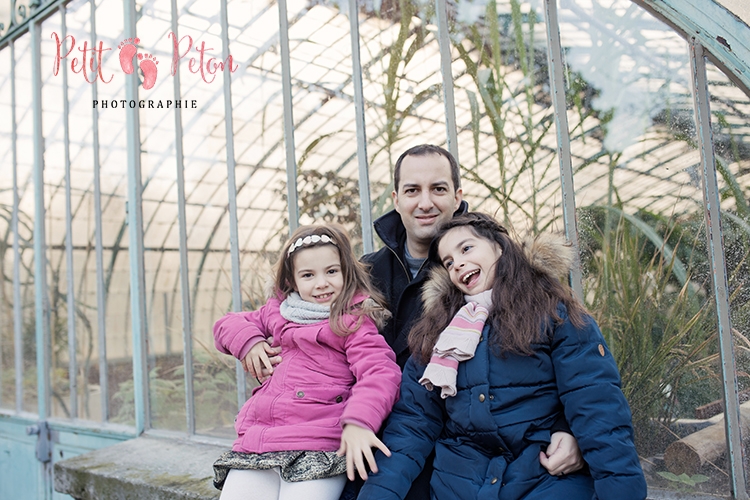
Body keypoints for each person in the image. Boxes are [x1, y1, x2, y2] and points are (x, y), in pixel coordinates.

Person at [251, 145, 584, 499]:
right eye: (413, 190)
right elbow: (287, 316)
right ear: (396, 199)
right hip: (353, 432)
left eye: (438, 189)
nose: (425, 202)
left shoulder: (487, 269)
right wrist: (253, 342)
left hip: (447, 446)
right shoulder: (361, 274)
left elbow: (562, 359)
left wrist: (569, 428)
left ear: (457, 196)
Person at [358, 212, 647, 499]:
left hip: (544, 479)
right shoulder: (437, 331)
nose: (457, 263)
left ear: (499, 246)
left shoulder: (552, 312)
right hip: (460, 485)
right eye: (448, 262)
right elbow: (412, 424)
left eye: (467, 248)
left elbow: (596, 405)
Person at [212, 224, 402, 500]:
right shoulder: (277, 313)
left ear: (346, 273)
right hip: (261, 441)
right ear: (291, 281)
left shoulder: (352, 322)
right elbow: (226, 324)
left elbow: (380, 373)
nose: (321, 283)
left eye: (331, 271)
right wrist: (249, 343)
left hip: (318, 444)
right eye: (308, 275)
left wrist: (359, 422)